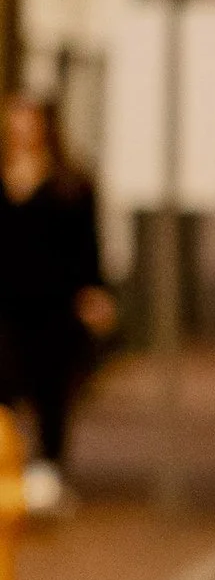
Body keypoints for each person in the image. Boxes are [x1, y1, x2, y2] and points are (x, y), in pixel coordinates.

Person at [0, 93, 114, 512]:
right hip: (6, 306)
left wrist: (93, 291)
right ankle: (6, 467)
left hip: (53, 308)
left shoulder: (70, 183)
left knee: (51, 391)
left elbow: (87, 245)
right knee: (5, 385)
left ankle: (48, 471)